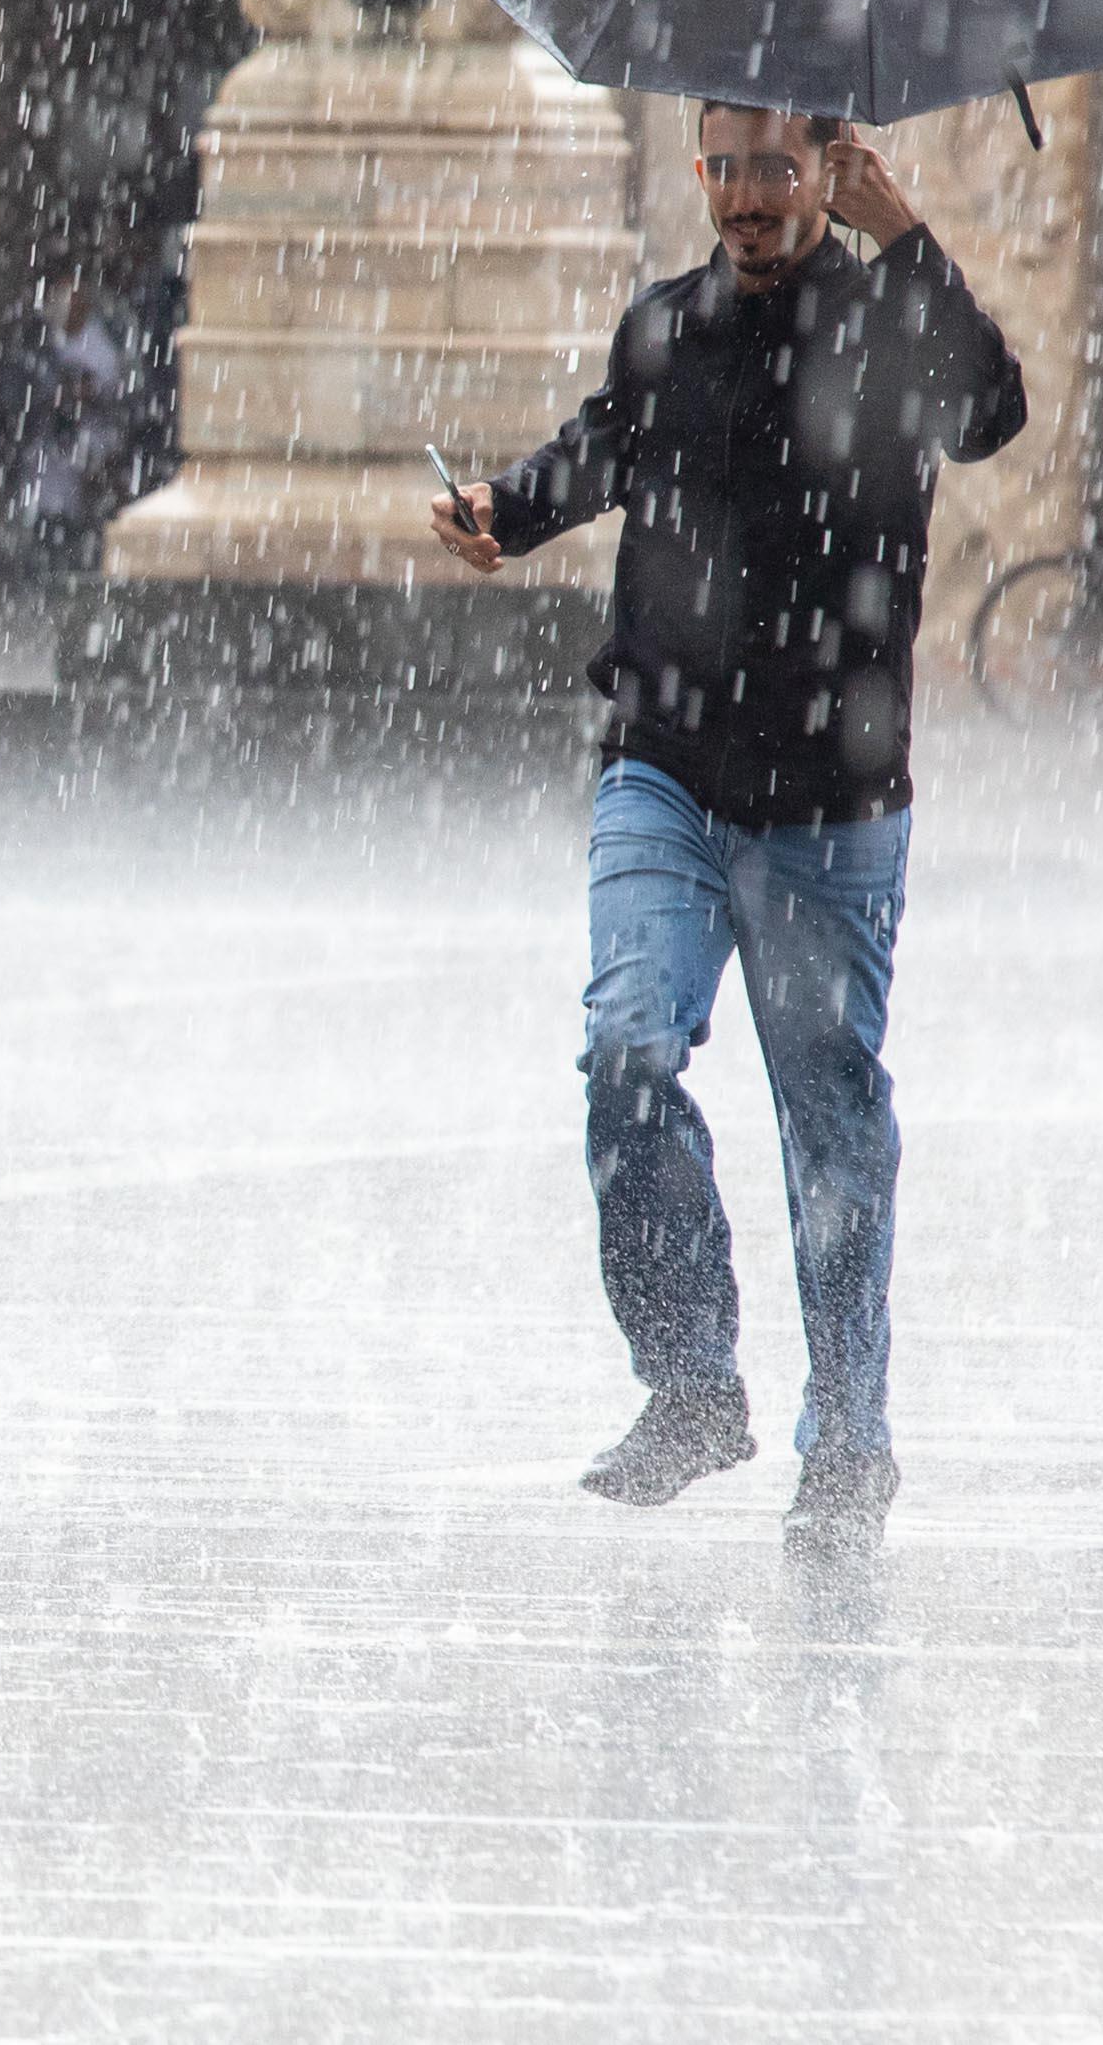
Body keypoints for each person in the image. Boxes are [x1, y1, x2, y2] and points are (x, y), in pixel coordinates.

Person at [430, 106, 1026, 1561]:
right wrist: (503, 512)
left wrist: (906, 236)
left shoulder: (894, 317)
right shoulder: (670, 327)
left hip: (831, 799)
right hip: (669, 768)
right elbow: (597, 453)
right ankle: (695, 1383)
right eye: (728, 171)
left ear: (828, 171)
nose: (750, 199)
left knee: (831, 1126)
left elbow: (991, 412)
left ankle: (851, 1433)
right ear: (700, 177)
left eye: (778, 168)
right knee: (628, 1053)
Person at [0, 274, 132, 586]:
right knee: (40, 542)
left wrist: (86, 394)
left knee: (76, 545)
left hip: (88, 457)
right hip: (45, 468)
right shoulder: (42, 340)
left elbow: (116, 396)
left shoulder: (102, 346)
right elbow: (25, 389)